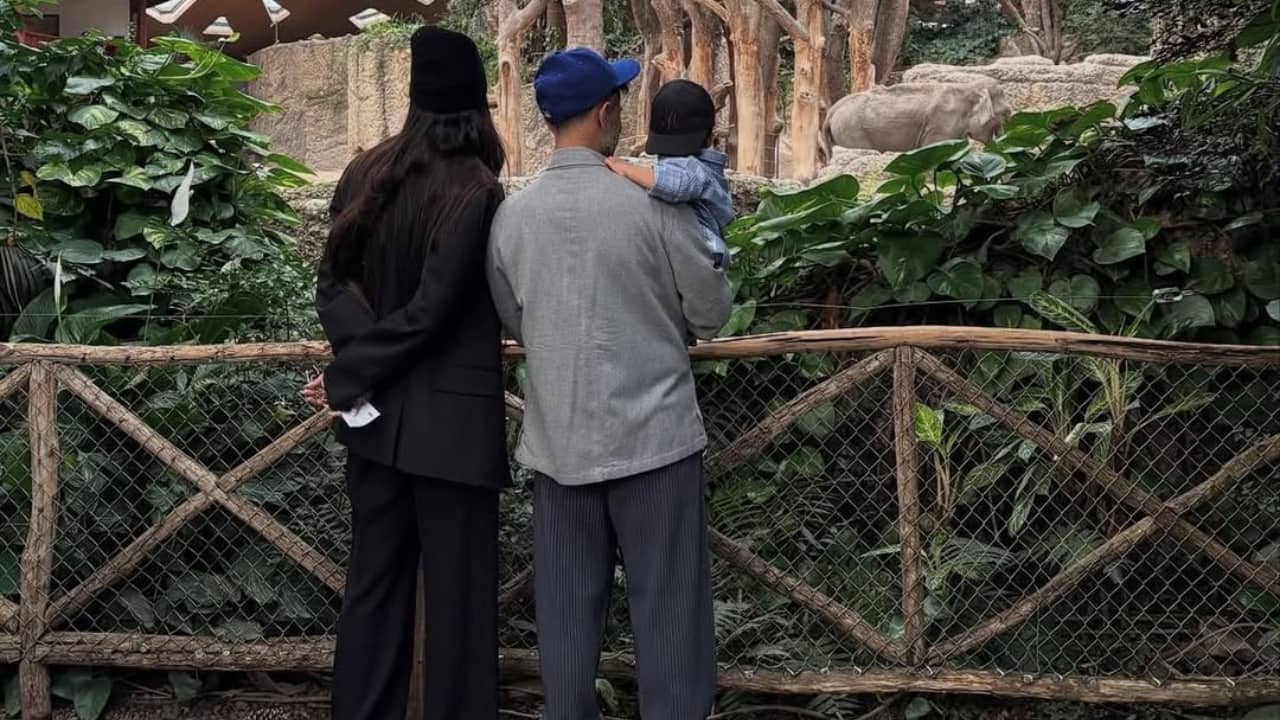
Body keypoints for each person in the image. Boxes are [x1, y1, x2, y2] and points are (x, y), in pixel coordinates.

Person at [487, 47, 734, 720]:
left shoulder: (513, 217)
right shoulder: (653, 202)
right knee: (670, 615)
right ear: (604, 113)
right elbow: (710, 315)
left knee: (566, 620)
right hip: (655, 442)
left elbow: (515, 318)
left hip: (559, 447)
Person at [301, 27, 508, 720]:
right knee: (460, 610)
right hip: (451, 434)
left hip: (375, 427)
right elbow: (430, 318)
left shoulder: (363, 172)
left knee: (373, 590)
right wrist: (349, 377)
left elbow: (331, 285)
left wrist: (354, 373)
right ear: (479, 103)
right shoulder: (477, 191)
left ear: (414, 96)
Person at [605, 79, 733, 269]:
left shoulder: (693, 168)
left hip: (707, 251)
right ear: (708, 136)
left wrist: (627, 169)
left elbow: (677, 184)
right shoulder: (704, 166)